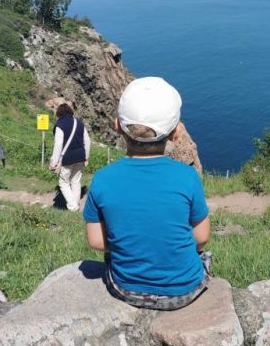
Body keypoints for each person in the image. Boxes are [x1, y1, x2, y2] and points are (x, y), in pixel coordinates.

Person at [83, 77, 211, 310]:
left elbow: (96, 241)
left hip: (126, 288)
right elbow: (201, 237)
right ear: (175, 132)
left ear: (117, 126)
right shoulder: (187, 176)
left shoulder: (102, 178)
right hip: (184, 291)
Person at [49, 103, 90, 211]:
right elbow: (87, 141)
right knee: (76, 181)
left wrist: (54, 163)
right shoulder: (80, 123)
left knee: (63, 183)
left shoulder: (60, 125)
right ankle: (75, 204)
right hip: (80, 157)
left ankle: (73, 207)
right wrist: (86, 157)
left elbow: (58, 145)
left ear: (59, 113)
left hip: (67, 159)